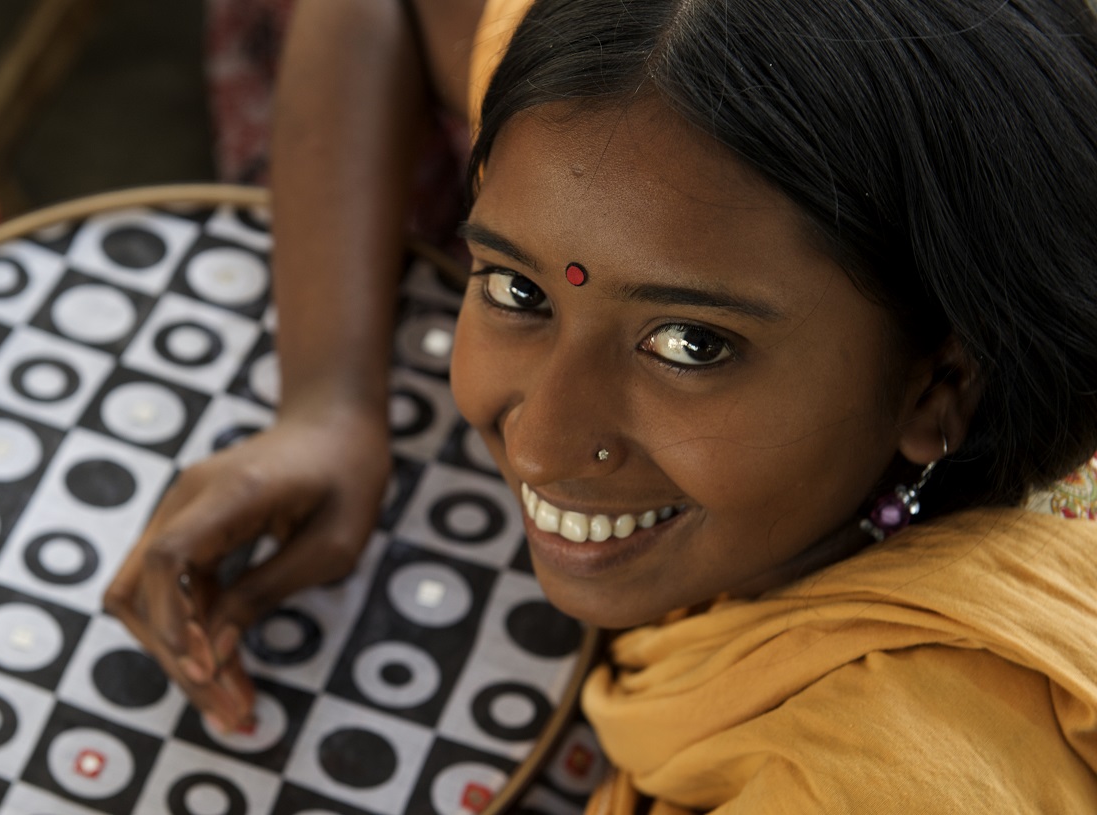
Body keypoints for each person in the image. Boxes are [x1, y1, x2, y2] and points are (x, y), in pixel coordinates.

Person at [110, 0, 1097, 810]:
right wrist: (325, 403)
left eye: (689, 345)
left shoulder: (881, 766)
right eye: (515, 290)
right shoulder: (629, 101)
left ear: (937, 385)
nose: (538, 445)